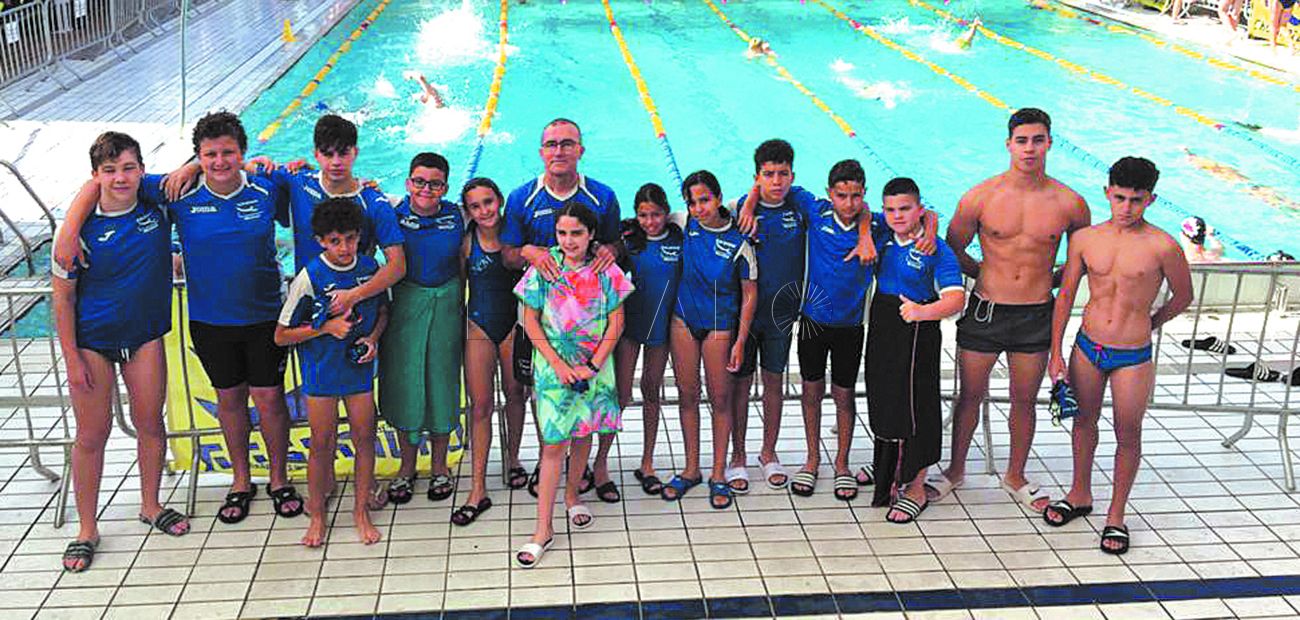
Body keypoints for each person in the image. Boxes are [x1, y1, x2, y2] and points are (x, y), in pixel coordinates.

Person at [53, 112, 304, 525]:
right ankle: (241, 481)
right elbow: (99, 181)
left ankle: (279, 480)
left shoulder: (265, 185)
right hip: (209, 320)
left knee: (271, 400)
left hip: (264, 316)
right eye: (210, 154)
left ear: (243, 153)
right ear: (198, 157)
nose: (220, 161)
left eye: (228, 152)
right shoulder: (178, 190)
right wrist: (67, 230)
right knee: (229, 401)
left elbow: (317, 184)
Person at [935, 108, 1091, 512]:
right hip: (986, 310)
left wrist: (1051, 280)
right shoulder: (980, 197)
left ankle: (1015, 475)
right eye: (1022, 141)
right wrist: (983, 271)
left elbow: (1080, 260)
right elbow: (951, 250)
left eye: (1037, 140)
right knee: (969, 396)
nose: (1029, 148)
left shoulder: (1070, 203)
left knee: (1025, 399)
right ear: (1009, 145)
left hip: (1035, 314)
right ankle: (955, 471)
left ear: (1049, 143)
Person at [54, 132, 189, 573]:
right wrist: (72, 358)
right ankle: (87, 528)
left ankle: (151, 505)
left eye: (129, 168)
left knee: (150, 422)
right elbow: (62, 299)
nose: (120, 178)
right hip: (93, 340)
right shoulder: (78, 231)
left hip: (144, 335)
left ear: (142, 170)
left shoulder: (154, 204)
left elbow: (198, 171)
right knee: (93, 434)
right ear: (95, 177)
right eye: (109, 171)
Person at [1044, 157, 1192, 555]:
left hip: (1133, 355)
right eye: (1120, 198)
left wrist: (1150, 322)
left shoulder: (1164, 245)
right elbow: (1067, 296)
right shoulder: (1086, 239)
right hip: (1088, 346)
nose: (1126, 208)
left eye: (1137, 201)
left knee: (1128, 433)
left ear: (1151, 200)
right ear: (1107, 193)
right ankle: (1079, 494)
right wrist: (1055, 353)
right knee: (1083, 423)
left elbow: (1184, 296)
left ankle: (1116, 514)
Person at [501, 118, 622, 501]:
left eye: (567, 144)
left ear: (580, 151)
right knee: (547, 392)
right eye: (551, 144)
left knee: (593, 392)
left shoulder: (602, 197)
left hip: (591, 326)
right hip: (546, 324)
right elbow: (506, 254)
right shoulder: (522, 198)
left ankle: (590, 466)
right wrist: (528, 251)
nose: (558, 151)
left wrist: (610, 250)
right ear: (541, 151)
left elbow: (618, 247)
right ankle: (551, 458)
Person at [513, 202, 632, 568]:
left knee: (584, 434)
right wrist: (558, 365)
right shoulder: (544, 267)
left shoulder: (606, 271)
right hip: (554, 371)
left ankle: (572, 496)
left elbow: (617, 323)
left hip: (595, 367)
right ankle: (542, 529)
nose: (568, 241)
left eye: (577, 233)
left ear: (592, 234)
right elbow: (530, 322)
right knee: (553, 445)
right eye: (562, 233)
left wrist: (593, 365)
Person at [275, 198, 389, 547]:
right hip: (321, 374)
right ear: (321, 240)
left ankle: (360, 512)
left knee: (364, 438)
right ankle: (319, 516)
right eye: (336, 241)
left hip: (357, 372)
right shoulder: (310, 276)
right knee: (321, 445)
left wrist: (372, 338)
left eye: (351, 239)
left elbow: (383, 311)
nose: (344, 248)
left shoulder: (370, 269)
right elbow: (281, 335)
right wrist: (326, 329)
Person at [867, 178, 966, 522]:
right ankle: (888, 467)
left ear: (919, 210)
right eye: (891, 209)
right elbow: (861, 213)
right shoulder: (881, 236)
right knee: (883, 399)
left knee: (917, 407)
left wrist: (922, 312)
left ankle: (917, 485)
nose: (897, 215)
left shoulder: (935, 249)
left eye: (905, 208)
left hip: (917, 332)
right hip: (883, 327)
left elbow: (956, 297)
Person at [792, 160, 887, 501]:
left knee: (844, 395)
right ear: (829, 193)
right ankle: (812, 458)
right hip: (813, 321)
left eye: (856, 196)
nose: (849, 203)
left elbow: (926, 218)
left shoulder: (876, 224)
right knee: (811, 392)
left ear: (865, 195)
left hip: (850, 325)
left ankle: (842, 463)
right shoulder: (815, 212)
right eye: (842, 195)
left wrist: (865, 232)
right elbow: (775, 186)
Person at [663, 170, 757, 510]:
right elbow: (648, 221)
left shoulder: (739, 241)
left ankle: (719, 473)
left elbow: (750, 293)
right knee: (687, 395)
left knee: (720, 398)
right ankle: (691, 469)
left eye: (705, 199)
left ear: (718, 198)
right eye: (692, 201)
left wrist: (741, 340)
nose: (699, 207)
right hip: (684, 321)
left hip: (720, 325)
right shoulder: (682, 222)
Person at [728, 139, 815, 493]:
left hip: (782, 315)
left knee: (774, 384)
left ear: (792, 176)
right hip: (744, 316)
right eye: (768, 175)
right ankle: (737, 455)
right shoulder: (737, 210)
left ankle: (768, 452)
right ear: (756, 176)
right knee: (741, 385)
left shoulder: (800, 204)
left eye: (783, 174)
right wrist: (750, 199)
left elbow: (852, 211)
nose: (776, 181)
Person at [378, 153, 464, 508]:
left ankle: (441, 465)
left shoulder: (457, 214)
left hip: (447, 305)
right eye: (419, 181)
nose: (426, 189)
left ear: (445, 187)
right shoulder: (391, 213)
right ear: (408, 182)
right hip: (405, 308)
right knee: (405, 384)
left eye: (435, 183)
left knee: (442, 384)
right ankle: (407, 466)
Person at [460, 177, 529, 524]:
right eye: (475, 206)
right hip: (479, 328)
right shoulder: (467, 241)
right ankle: (477, 487)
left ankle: (514, 460)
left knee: (516, 395)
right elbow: (460, 287)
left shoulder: (517, 235)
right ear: (468, 211)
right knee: (481, 406)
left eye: (489, 202)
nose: (484, 210)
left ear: (500, 201)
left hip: (514, 327)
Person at [616, 183, 683, 497]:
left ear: (666, 212)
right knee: (620, 394)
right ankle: (599, 461)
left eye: (656, 214)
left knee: (651, 392)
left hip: (661, 330)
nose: (650, 221)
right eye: (643, 215)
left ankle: (647, 462)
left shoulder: (678, 239)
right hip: (630, 327)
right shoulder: (629, 241)